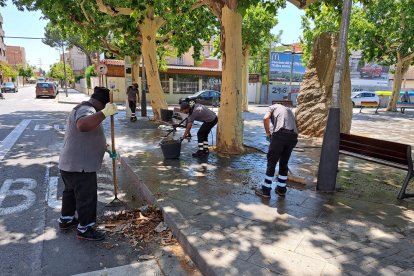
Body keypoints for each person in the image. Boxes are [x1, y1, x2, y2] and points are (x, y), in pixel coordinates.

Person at [58, 86, 118, 241]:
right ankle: (85, 228)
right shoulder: (87, 109)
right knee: (87, 197)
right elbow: (83, 126)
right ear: (102, 104)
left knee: (70, 193)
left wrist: (105, 148)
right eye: (104, 108)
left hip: (70, 164)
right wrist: (104, 113)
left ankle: (67, 219)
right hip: (81, 167)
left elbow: (87, 137)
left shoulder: (84, 108)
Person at [255, 104, 298, 198]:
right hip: (293, 137)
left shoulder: (272, 107)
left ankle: (265, 190)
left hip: (280, 135)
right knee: (284, 163)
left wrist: (268, 133)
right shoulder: (289, 110)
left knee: (272, 162)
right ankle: (281, 189)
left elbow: (265, 118)